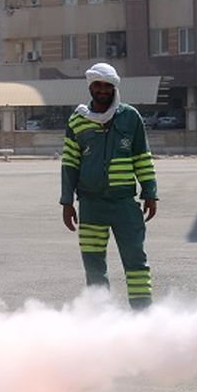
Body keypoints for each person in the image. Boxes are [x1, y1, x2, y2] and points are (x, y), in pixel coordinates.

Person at [60, 63, 158, 309]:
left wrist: (150, 192)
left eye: (107, 85)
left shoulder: (129, 117)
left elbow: (142, 157)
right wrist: (66, 201)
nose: (102, 90)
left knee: (136, 262)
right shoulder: (78, 120)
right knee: (94, 267)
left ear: (114, 87)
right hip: (91, 205)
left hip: (124, 203)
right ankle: (101, 319)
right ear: (90, 87)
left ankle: (143, 315)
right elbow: (70, 162)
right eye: (97, 85)